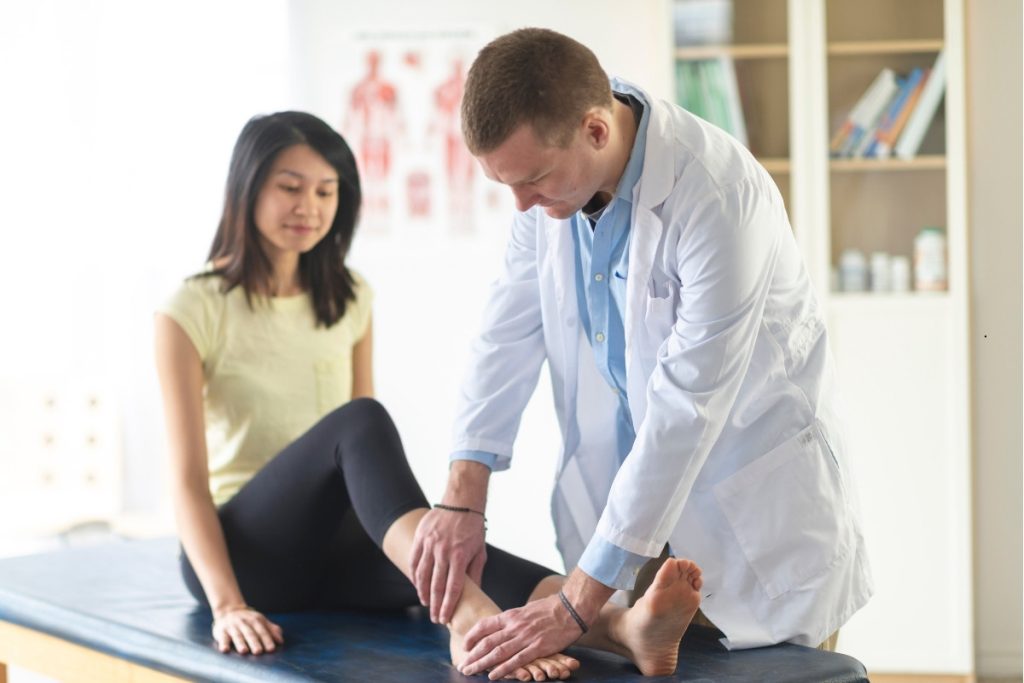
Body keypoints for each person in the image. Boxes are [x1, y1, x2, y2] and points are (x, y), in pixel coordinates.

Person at [153, 110, 705, 681]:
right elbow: (188, 482)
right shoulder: (191, 310)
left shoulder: (348, 298)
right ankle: (468, 618)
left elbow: (357, 475)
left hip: (332, 554)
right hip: (249, 556)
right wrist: (227, 604)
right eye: (289, 188)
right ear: (246, 189)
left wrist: (432, 544)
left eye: (325, 191)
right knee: (362, 421)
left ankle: (624, 629)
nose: (309, 207)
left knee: (462, 562)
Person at [411, 28, 873, 680]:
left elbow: (686, 408)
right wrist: (462, 497)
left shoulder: (716, 195)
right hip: (627, 527)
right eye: (505, 185)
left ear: (596, 131)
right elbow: (504, 336)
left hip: (748, 530)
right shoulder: (548, 189)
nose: (522, 206)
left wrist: (576, 601)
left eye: (534, 180)